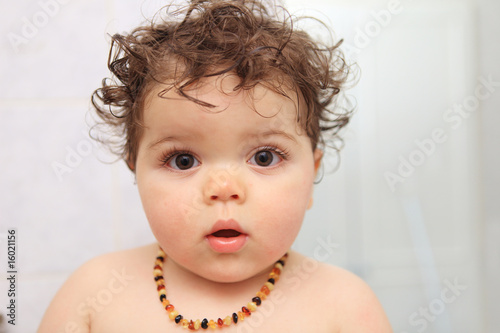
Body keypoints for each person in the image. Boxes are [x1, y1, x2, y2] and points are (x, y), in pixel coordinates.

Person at [39, 0, 392, 331]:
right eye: (183, 160)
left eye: (264, 157)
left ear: (312, 171)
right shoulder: (93, 296)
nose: (224, 187)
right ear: (136, 170)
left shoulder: (346, 308)